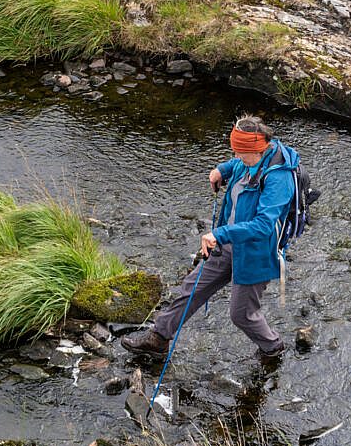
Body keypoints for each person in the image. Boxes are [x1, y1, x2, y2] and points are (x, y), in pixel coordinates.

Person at [121, 115, 296, 361]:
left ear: (255, 149)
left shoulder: (280, 178)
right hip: (227, 243)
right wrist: (221, 170)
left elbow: (263, 226)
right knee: (191, 290)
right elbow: (238, 164)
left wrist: (220, 233)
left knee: (241, 314)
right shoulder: (249, 159)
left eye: (238, 152)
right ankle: (158, 339)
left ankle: (272, 347)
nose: (235, 157)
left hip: (256, 252)